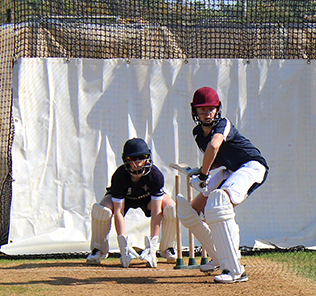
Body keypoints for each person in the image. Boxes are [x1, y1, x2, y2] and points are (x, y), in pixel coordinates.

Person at [173, 86, 268, 284]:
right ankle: (218, 257)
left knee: (219, 204)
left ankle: (235, 269)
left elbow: (215, 145)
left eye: (211, 108)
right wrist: (201, 171)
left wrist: (204, 175)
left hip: (252, 166)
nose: (207, 114)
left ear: (218, 108)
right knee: (191, 212)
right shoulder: (198, 133)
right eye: (202, 110)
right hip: (231, 169)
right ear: (194, 111)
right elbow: (216, 157)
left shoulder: (223, 124)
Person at [87, 137, 177, 268]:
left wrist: (153, 244)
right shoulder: (119, 175)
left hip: (147, 200)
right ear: (125, 160)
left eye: (142, 157)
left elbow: (157, 211)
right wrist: (122, 244)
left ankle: (167, 248)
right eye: (133, 159)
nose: (138, 163)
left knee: (171, 208)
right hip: (126, 199)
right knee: (102, 211)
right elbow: (118, 212)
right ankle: (98, 250)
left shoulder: (156, 175)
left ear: (149, 156)